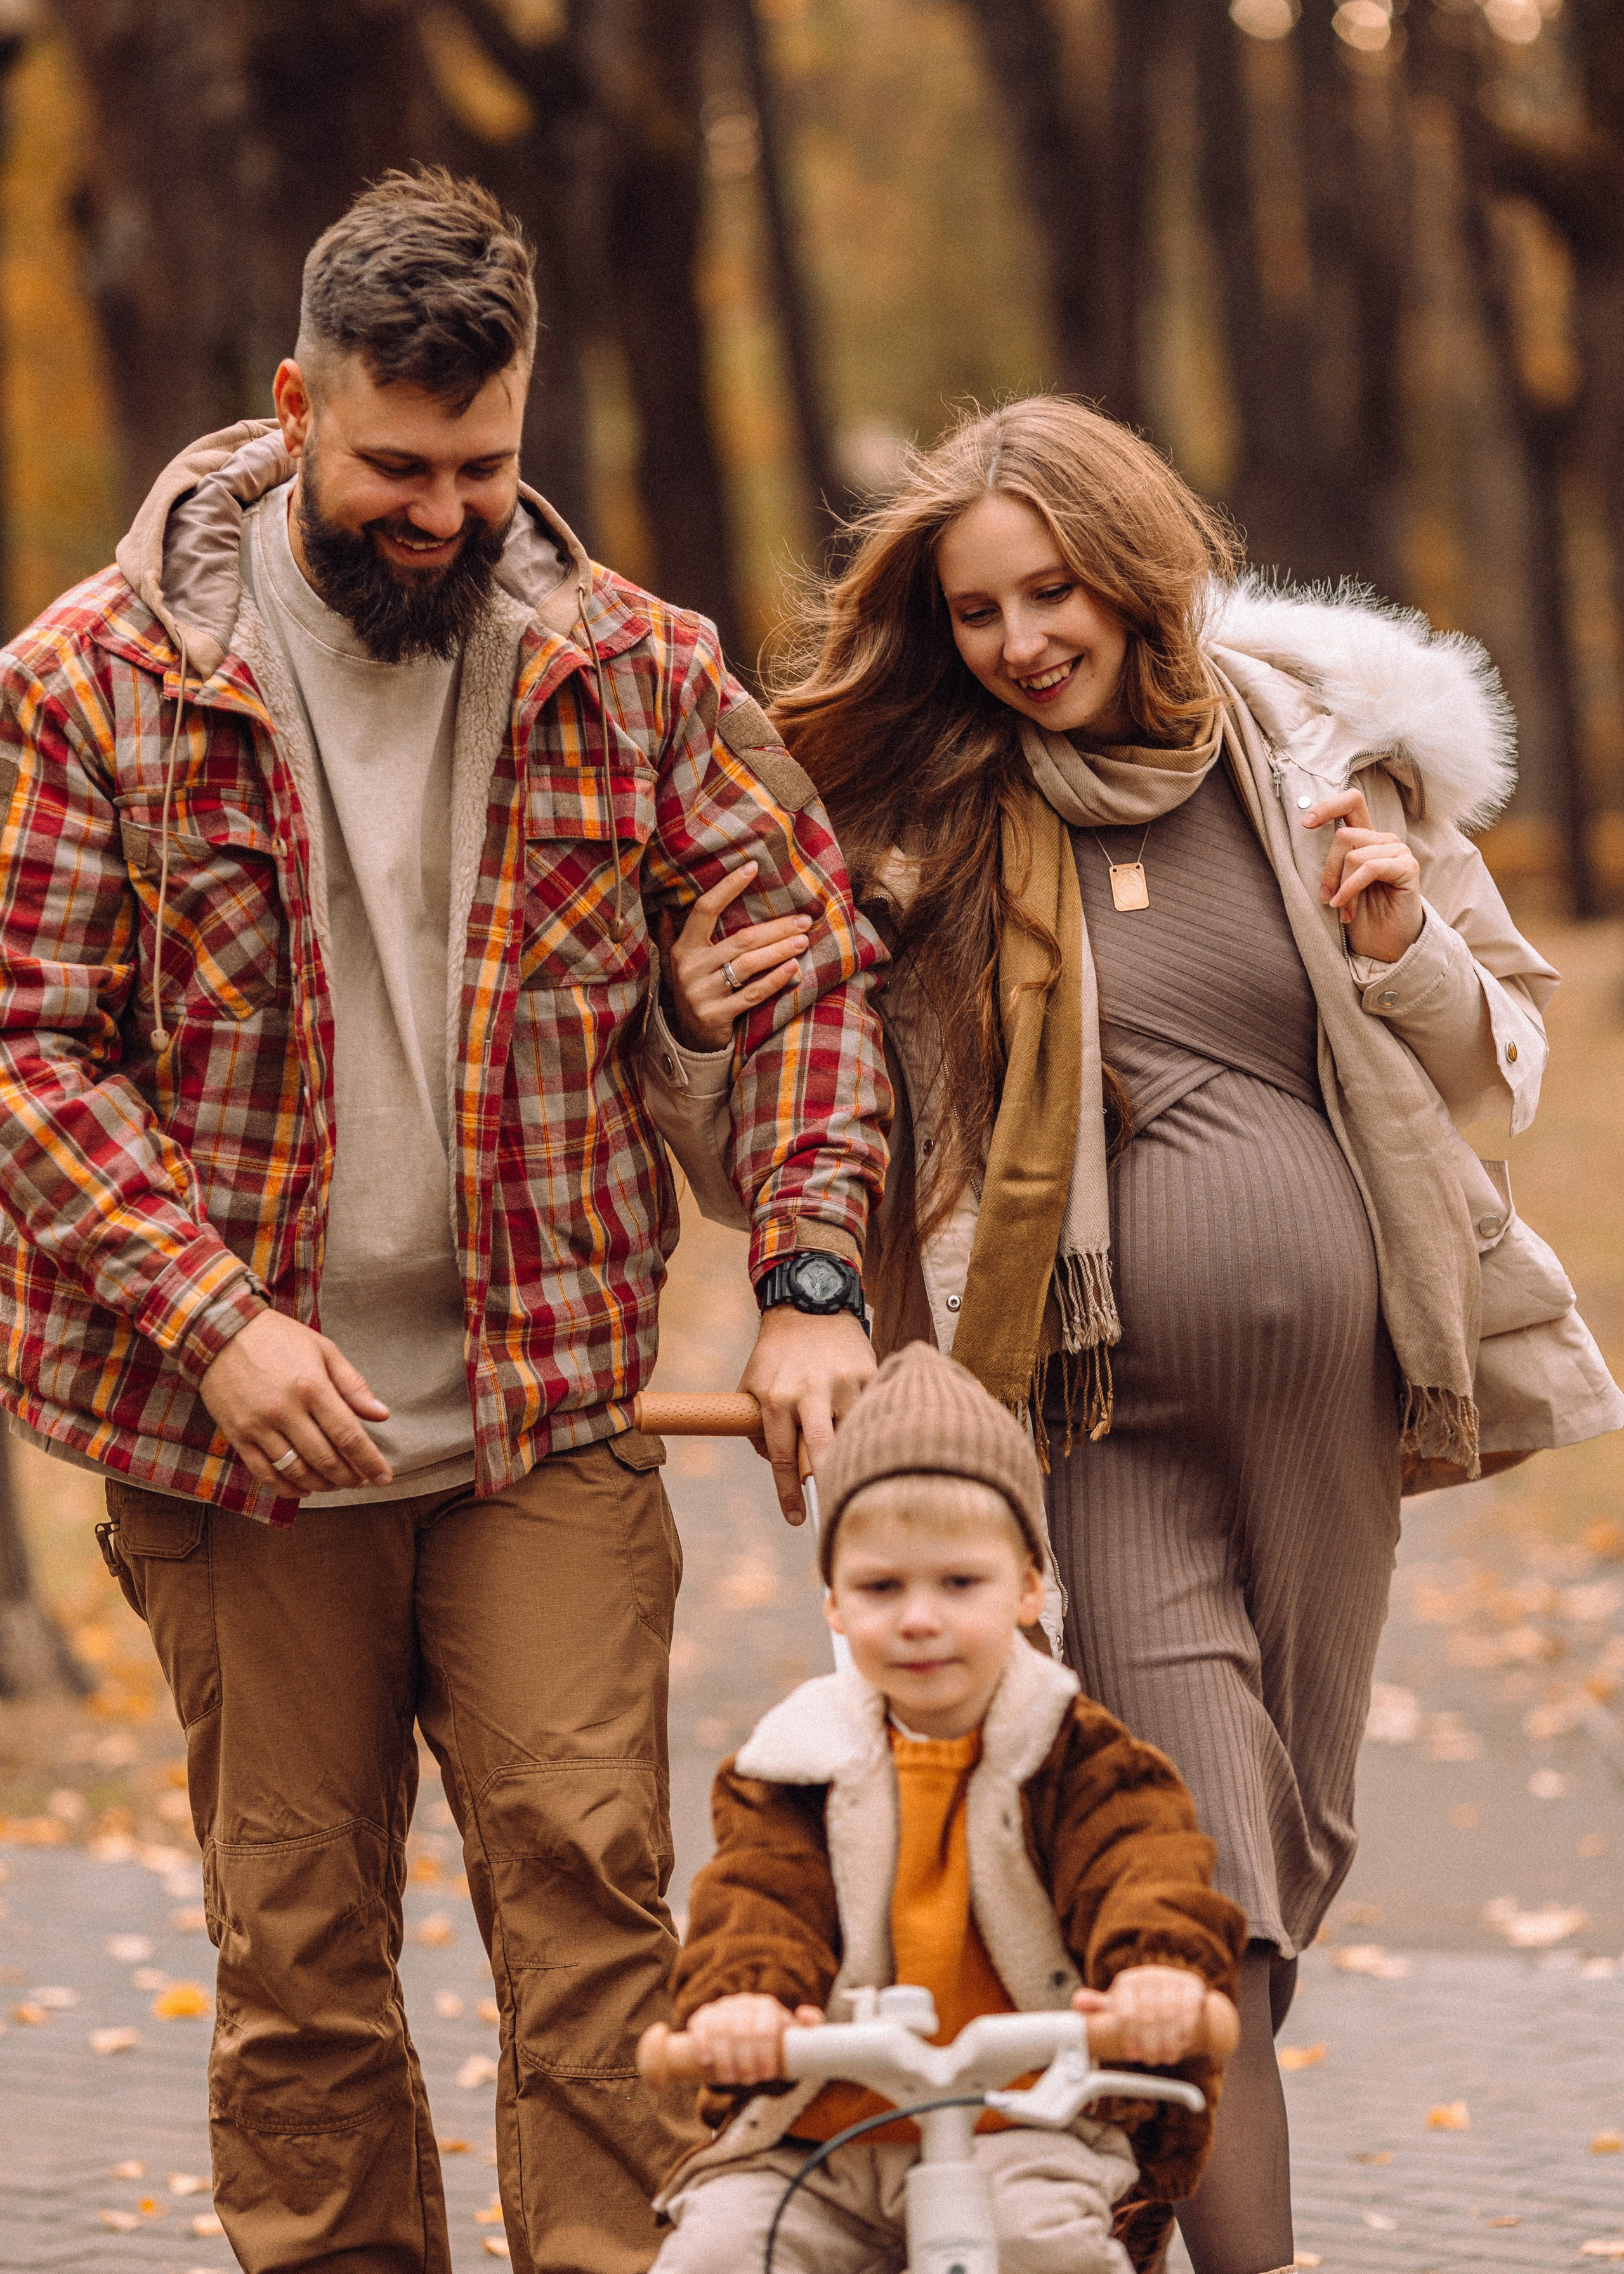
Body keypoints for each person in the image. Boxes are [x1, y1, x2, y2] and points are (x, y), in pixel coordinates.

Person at [0, 169, 889, 2274]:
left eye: (483, 470)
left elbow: (800, 962)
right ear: (298, 405)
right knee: (300, 1944)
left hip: (544, 1403)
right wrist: (215, 1318)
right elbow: (29, 1047)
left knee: (594, 1897)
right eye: (395, 467)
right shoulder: (93, 683)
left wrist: (810, 1275)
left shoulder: (632, 670)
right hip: (238, 1438)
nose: (438, 513)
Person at [660, 395, 1624, 2274]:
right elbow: (802, 1113)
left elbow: (1492, 1043)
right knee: (1210, 1890)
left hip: (1336, 1411)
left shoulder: (1317, 757)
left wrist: (1398, 932)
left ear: (1135, 570)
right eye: (979, 613)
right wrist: (703, 1030)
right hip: (1081, 1418)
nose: (1022, 644)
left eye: (1053, 595)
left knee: (1291, 1841)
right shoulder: (924, 831)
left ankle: (1093, 2191)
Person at [648, 1342, 1245, 2274]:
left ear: (1027, 1590)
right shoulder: (792, 1765)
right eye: (883, 1587)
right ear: (836, 1606)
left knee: (1041, 2246)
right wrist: (746, 2001)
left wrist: (1157, 1976)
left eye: (958, 1584)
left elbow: (1146, 1869)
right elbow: (757, 1898)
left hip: (1027, 2122)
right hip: (822, 2135)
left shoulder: (1084, 1760)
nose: (919, 1618)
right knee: (721, 2252)